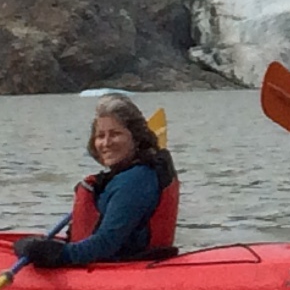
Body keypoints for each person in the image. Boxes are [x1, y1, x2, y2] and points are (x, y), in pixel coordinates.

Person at [13, 94, 179, 269]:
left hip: (122, 268)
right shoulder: (131, 174)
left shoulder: (134, 181)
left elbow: (105, 245)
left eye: (115, 134)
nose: (106, 143)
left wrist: (54, 254)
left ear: (136, 138)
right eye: (100, 136)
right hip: (126, 260)